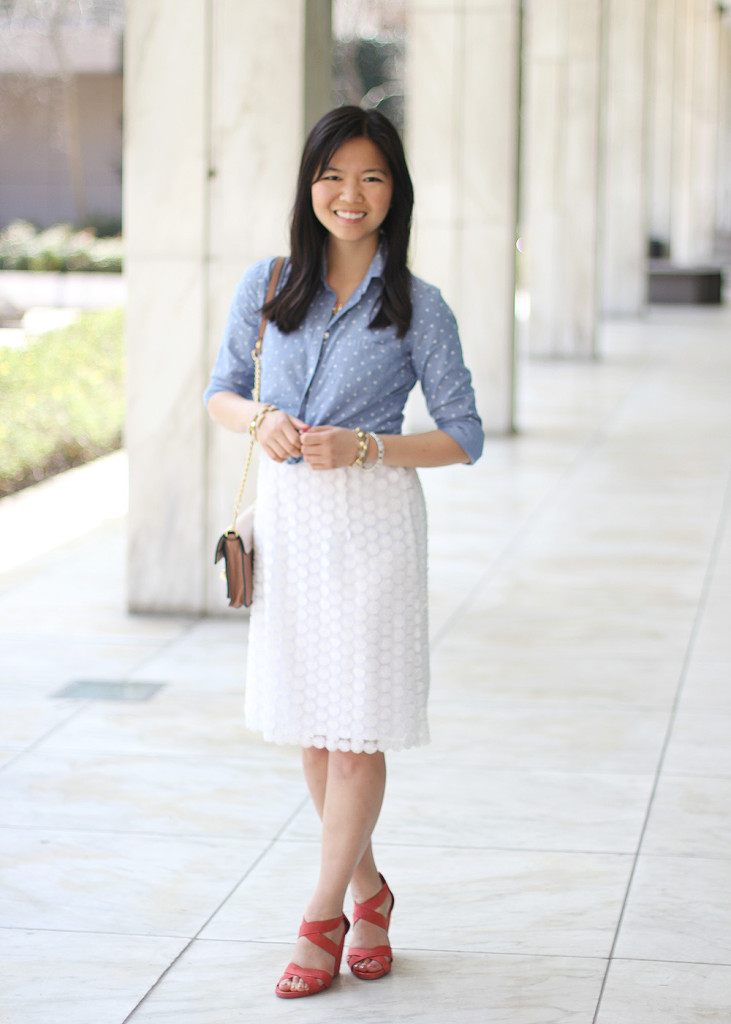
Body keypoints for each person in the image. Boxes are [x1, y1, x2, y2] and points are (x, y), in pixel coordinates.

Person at [204, 105, 483, 1000]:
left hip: (371, 526)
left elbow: (463, 437)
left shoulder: (418, 307)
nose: (348, 194)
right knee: (316, 732)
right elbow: (219, 394)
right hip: (289, 524)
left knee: (356, 731)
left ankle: (319, 916)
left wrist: (366, 446)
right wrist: (265, 420)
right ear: (309, 185)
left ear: (393, 191)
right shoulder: (269, 283)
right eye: (332, 176)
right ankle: (370, 892)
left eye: (369, 177)